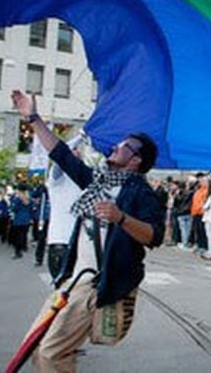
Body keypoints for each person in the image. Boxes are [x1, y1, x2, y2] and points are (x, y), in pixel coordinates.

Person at [10, 90, 165, 372]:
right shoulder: (98, 181)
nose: (116, 147)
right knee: (37, 348)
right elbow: (61, 154)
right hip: (71, 278)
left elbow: (154, 236)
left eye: (125, 146)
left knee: (50, 354)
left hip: (93, 283)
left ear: (135, 161)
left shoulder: (141, 193)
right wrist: (32, 118)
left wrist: (121, 218)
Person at [45, 134, 86, 278]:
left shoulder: (82, 180)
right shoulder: (56, 178)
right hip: (60, 243)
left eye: (78, 150)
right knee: (62, 291)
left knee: (76, 292)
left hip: (79, 243)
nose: (77, 152)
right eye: (73, 150)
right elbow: (60, 154)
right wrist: (80, 136)